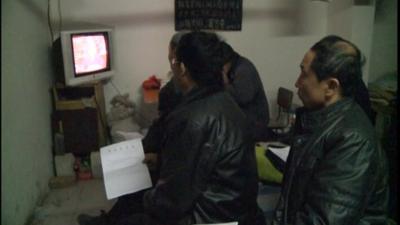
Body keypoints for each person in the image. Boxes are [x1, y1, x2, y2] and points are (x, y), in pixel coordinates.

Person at [271, 35, 389, 225]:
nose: (297, 83)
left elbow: (323, 221)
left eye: (304, 74)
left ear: (331, 86)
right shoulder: (318, 120)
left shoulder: (353, 140)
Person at [77, 32, 185, 225]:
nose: (171, 64)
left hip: (192, 197)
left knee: (139, 184)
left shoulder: (193, 104)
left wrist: (158, 160)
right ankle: (108, 220)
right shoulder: (181, 93)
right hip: (173, 166)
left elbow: (186, 164)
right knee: (134, 174)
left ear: (182, 64)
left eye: (173, 60)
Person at [220, 42, 270, 141]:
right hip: (246, 119)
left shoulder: (243, 69)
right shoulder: (236, 66)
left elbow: (242, 98)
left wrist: (224, 82)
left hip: (254, 122)